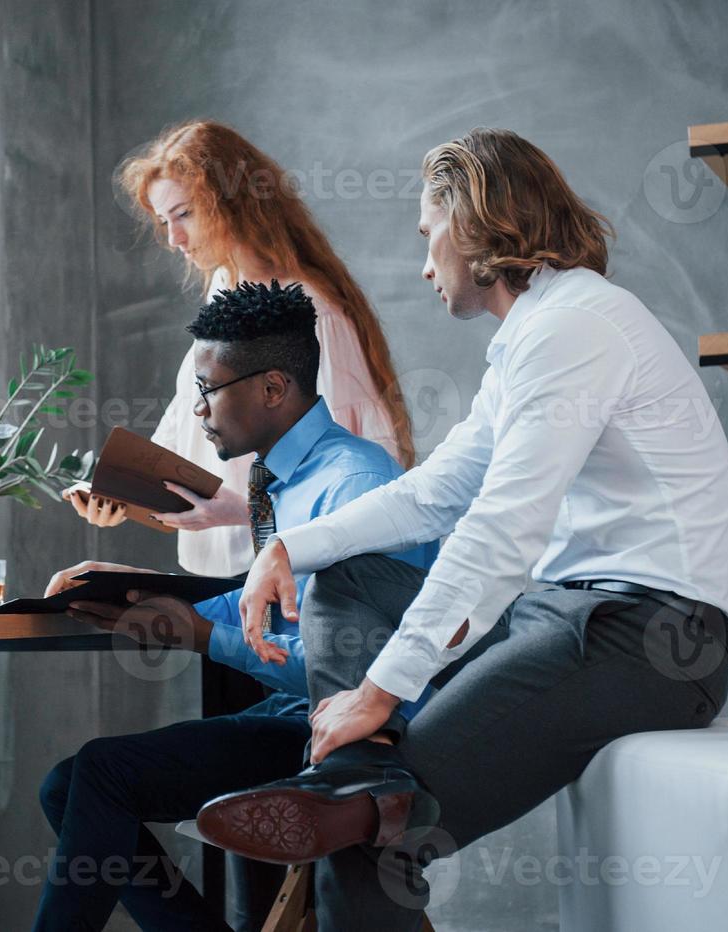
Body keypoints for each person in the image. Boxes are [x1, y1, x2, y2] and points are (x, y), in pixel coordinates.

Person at [196, 129, 728, 931]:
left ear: (470, 221)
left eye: (427, 235)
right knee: (348, 575)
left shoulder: (576, 327)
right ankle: (356, 775)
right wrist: (289, 546)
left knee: (363, 838)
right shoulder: (530, 338)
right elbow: (436, 493)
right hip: (560, 616)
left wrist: (378, 689)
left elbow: (502, 526)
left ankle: (350, 786)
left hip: (652, 639)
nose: (425, 263)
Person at [33, 281, 435, 932]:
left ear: (272, 388)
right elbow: (280, 613)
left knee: (102, 773)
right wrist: (144, 590)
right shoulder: (287, 480)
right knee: (69, 781)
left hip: (355, 738)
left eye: (207, 389)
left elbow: (355, 670)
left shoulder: (353, 485)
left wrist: (198, 635)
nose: (197, 411)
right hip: (297, 714)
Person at [64, 120, 414, 581]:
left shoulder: (311, 312)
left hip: (286, 579)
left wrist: (246, 509)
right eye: (164, 220)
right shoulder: (223, 287)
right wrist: (124, 489)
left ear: (232, 204)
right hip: (222, 575)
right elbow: (186, 421)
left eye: (184, 214)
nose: (173, 239)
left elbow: (362, 468)